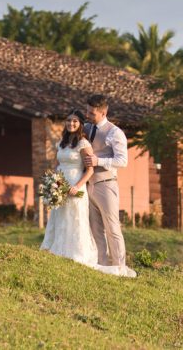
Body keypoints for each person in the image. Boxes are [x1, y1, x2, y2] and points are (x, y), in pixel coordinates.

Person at [40, 110, 133, 277]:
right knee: (61, 216)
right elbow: (56, 164)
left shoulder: (84, 143)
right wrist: (53, 183)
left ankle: (85, 256)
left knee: (79, 219)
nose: (71, 124)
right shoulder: (61, 142)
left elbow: (90, 169)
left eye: (75, 121)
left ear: (81, 124)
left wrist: (76, 186)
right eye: (68, 121)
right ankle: (58, 251)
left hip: (77, 184)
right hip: (61, 184)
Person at [82, 94, 134, 276]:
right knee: (95, 228)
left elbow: (123, 161)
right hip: (89, 185)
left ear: (103, 112)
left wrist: (99, 161)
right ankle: (102, 266)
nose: (87, 115)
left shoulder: (115, 132)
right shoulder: (86, 129)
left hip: (106, 184)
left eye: (92, 113)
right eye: (87, 111)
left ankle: (120, 267)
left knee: (112, 228)